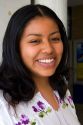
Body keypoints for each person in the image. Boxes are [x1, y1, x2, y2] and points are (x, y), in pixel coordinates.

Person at [0, 4, 81, 125]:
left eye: (55, 38)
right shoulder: (4, 103)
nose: (48, 49)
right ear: (15, 47)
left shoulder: (62, 89)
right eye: (35, 41)